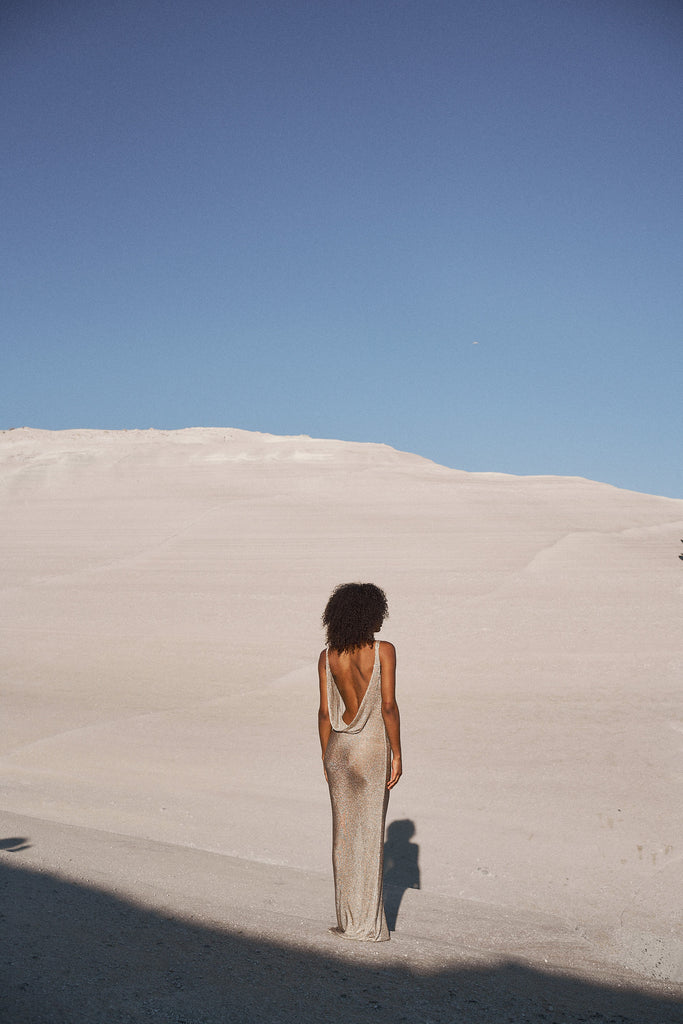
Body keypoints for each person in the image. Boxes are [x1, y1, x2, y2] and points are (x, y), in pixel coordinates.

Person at [317, 582, 402, 941]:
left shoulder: (328, 656)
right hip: (370, 749)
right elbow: (388, 706)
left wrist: (326, 757)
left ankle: (347, 920)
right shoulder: (383, 650)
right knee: (369, 836)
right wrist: (397, 752)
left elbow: (325, 712)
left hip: (338, 749)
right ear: (368, 615)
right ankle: (367, 926)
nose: (381, 619)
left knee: (343, 836)